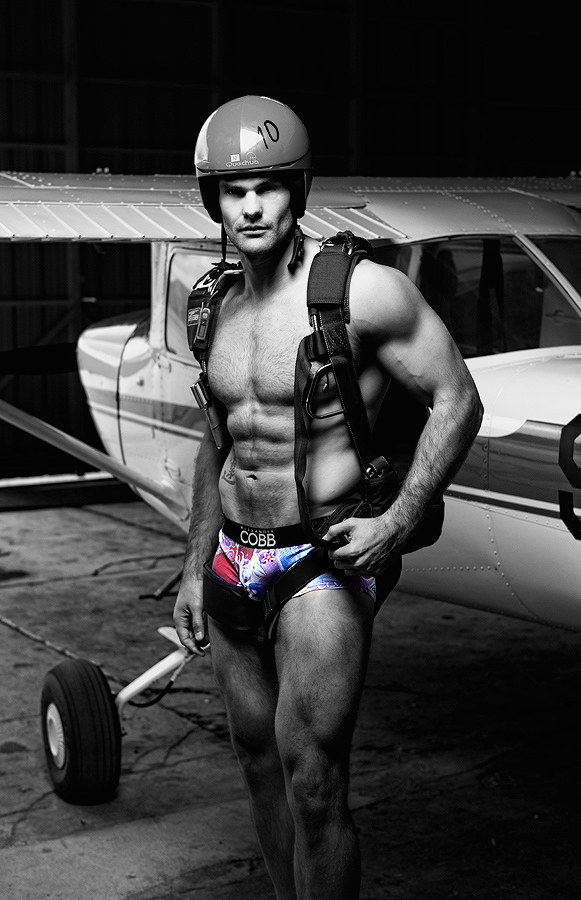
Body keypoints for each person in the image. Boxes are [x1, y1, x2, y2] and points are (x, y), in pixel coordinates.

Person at [174, 95, 483, 900]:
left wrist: (397, 520)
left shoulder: (361, 292)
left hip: (320, 560)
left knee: (313, 781)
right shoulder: (210, 304)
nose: (251, 206)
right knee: (257, 764)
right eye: (233, 190)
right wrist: (194, 564)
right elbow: (218, 441)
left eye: (268, 187)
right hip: (233, 557)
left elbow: (457, 398)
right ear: (212, 200)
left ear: (299, 190)